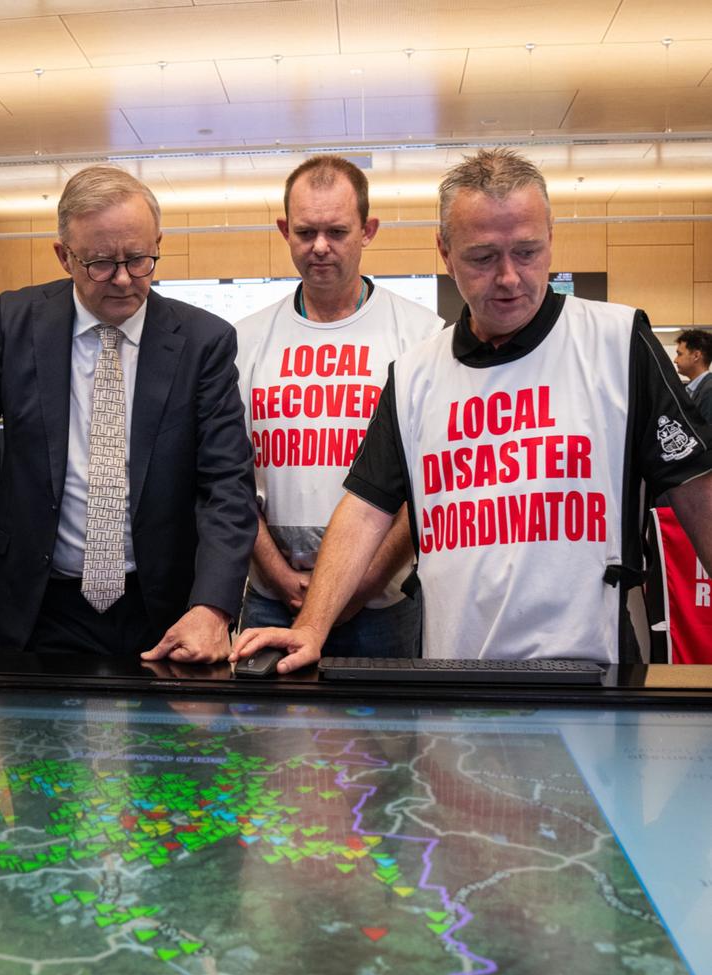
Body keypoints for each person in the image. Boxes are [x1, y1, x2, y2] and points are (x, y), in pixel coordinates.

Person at [232, 147, 712, 672]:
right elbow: (366, 508)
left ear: (551, 237)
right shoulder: (417, 372)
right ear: (445, 251)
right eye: (483, 258)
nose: (508, 278)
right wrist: (311, 628)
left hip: (588, 676)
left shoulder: (617, 343)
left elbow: (697, 491)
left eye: (527, 252)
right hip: (454, 677)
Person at [0, 165, 257, 660]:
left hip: (163, 615)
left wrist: (213, 608)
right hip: (33, 607)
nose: (124, 280)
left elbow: (227, 486)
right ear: (64, 255)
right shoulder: (15, 324)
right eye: (100, 264)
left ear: (157, 242)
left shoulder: (204, 342)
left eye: (139, 259)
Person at [235, 155, 445, 656]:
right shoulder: (245, 341)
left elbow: (427, 482)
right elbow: (229, 479)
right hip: (270, 596)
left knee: (386, 735)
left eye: (338, 231)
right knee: (271, 735)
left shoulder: (422, 336)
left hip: (384, 602)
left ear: (368, 229)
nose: (321, 247)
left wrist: (363, 583)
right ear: (285, 230)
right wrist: (280, 576)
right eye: (306, 232)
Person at [674, 329, 712, 424]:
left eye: (679, 354)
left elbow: (706, 434)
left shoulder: (709, 391)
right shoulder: (689, 389)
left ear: (696, 356)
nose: (675, 360)